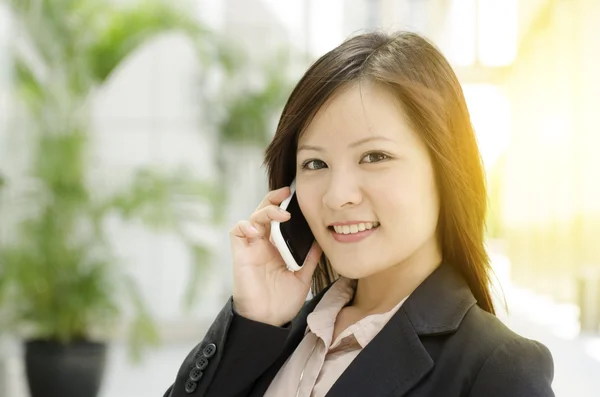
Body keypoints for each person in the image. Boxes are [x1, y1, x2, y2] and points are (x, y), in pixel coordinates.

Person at [163, 31, 555, 397]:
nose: (338, 196)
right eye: (315, 163)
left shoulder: (499, 369)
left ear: (446, 169)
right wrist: (253, 322)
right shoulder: (276, 332)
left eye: (374, 157)